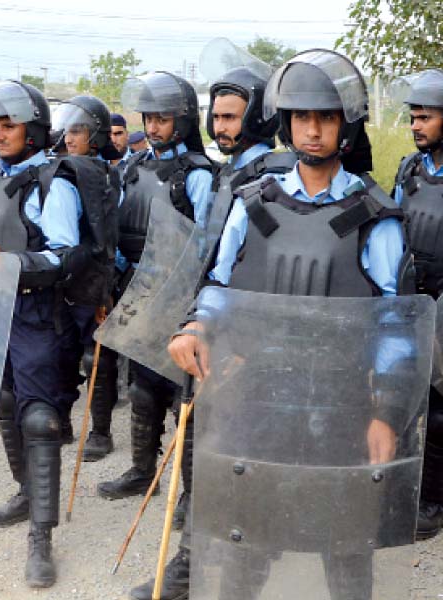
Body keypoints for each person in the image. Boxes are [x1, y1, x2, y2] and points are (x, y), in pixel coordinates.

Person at [154, 49, 412, 600]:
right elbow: (218, 287)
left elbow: (394, 324)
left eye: (324, 118)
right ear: (285, 123)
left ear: (346, 123)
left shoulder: (374, 216)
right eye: (301, 118)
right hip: (257, 399)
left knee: (344, 546)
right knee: (247, 540)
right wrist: (195, 327)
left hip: (341, 406)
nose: (312, 131)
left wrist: (387, 414)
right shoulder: (253, 206)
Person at [0, 80, 85, 588]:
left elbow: (65, 256)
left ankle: (41, 535)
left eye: (9, 125)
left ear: (35, 130)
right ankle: (24, 491)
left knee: (39, 419)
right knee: (5, 401)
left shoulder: (52, 184)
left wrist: (14, 262)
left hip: (42, 315)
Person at [98, 72, 214, 509]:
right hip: (138, 292)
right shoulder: (133, 166)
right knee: (142, 389)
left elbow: (204, 243)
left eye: (162, 119)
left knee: (183, 399)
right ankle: (141, 469)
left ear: (182, 121)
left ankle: (190, 492)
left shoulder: (198, 175)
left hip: (180, 298)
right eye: (148, 118)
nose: (153, 127)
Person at [50, 94, 122, 460]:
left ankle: (101, 431)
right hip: (63, 277)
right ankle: (60, 421)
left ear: (94, 134)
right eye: (68, 130)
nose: (71, 138)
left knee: (97, 359)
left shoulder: (106, 176)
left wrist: (106, 290)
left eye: (79, 131)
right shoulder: (58, 170)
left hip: (94, 278)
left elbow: (108, 236)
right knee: (60, 354)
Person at [392, 68, 443, 540]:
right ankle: (399, 488)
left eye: (425, 117)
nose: (416, 125)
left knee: (440, 406)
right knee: (400, 398)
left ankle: (432, 500)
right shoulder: (409, 169)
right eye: (414, 117)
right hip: (411, 300)